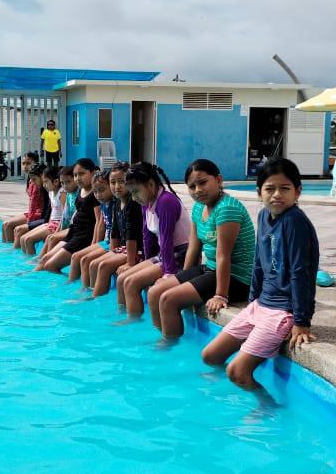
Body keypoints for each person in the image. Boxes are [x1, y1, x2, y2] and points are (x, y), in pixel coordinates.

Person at [201, 158, 319, 393]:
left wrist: (302, 322)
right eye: (270, 189)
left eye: (285, 188)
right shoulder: (264, 215)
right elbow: (258, 262)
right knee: (210, 356)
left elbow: (301, 273)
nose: (277, 195)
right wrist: (252, 302)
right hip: (260, 305)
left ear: (297, 192)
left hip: (282, 311)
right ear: (259, 192)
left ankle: (268, 407)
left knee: (237, 372)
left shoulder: (295, 222)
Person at [148, 159, 256, 338]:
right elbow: (193, 247)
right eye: (192, 186)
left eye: (203, 182)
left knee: (168, 300)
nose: (198, 190)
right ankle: (164, 337)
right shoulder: (199, 207)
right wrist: (182, 277)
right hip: (211, 269)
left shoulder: (227, 208)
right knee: (154, 293)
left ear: (219, 180)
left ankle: (170, 347)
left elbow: (223, 256)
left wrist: (220, 295)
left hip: (237, 277)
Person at [115, 162, 191, 318]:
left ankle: (134, 322)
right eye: (132, 193)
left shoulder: (166, 202)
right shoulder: (147, 202)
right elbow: (147, 235)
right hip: (165, 254)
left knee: (131, 283)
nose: (134, 198)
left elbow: (166, 238)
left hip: (181, 255)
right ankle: (124, 316)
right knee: (122, 279)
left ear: (150, 184)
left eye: (136, 192)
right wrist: (147, 261)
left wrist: (168, 274)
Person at [89, 163, 142, 297]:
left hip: (137, 250)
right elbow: (115, 232)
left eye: (121, 182)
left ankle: (96, 298)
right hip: (124, 248)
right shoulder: (118, 202)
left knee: (103, 266)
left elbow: (132, 235)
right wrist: (112, 253)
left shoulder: (133, 203)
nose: (116, 186)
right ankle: (92, 293)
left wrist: (129, 263)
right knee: (94, 263)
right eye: (112, 182)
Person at [39, 158, 99, 273]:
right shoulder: (81, 191)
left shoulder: (96, 194)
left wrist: (94, 245)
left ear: (93, 173)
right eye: (75, 175)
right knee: (45, 259)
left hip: (83, 237)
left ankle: (59, 283)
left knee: (50, 266)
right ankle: (32, 279)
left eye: (82, 174)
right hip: (73, 232)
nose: (78, 178)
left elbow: (99, 222)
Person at [69, 169, 115, 284]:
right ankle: (73, 284)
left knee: (87, 260)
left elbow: (115, 232)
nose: (98, 195)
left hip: (113, 243)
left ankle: (89, 290)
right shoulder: (104, 204)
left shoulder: (115, 205)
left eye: (102, 190)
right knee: (76, 257)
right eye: (95, 192)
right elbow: (101, 225)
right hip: (106, 242)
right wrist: (94, 245)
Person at [17, 165, 65, 255]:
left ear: (56, 182)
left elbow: (64, 216)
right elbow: (52, 212)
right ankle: (26, 259)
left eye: (46, 181)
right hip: (51, 223)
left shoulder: (62, 193)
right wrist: (47, 224)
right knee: (23, 238)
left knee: (29, 240)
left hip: (58, 225)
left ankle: (32, 260)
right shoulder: (51, 192)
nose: (43, 185)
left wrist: (58, 232)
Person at [1, 151, 41, 243]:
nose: (25, 166)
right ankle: (6, 247)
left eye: (28, 163)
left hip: (39, 214)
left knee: (9, 225)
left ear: (36, 164)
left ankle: (12, 249)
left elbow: (33, 203)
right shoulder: (29, 179)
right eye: (23, 163)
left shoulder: (36, 181)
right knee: (4, 224)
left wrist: (29, 223)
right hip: (33, 212)